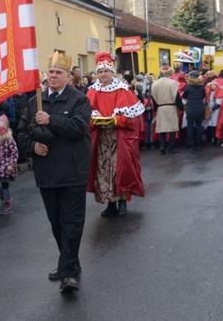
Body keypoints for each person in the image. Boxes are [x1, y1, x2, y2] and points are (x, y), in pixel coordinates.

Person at [18, 51, 91, 292]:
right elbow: (22, 133)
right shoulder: (34, 101)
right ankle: (70, 262)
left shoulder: (79, 99)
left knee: (72, 222)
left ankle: (67, 273)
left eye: (59, 72)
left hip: (72, 172)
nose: (53, 76)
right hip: (47, 173)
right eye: (50, 72)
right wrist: (32, 146)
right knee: (56, 223)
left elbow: (79, 128)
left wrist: (51, 120)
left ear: (68, 77)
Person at [87, 52, 145, 217]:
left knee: (119, 170)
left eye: (106, 71)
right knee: (103, 171)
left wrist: (116, 120)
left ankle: (122, 202)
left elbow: (132, 119)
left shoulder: (123, 90)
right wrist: (95, 121)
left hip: (119, 138)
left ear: (112, 72)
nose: (103, 74)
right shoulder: (92, 91)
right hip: (101, 140)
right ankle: (110, 203)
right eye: (100, 72)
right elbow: (85, 116)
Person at [151, 65, 182, 154]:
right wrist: (181, 107)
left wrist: (156, 109)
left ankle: (162, 146)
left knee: (162, 128)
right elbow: (176, 97)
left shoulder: (155, 84)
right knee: (172, 128)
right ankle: (171, 148)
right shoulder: (172, 83)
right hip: (170, 107)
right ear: (169, 73)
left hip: (160, 107)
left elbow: (154, 98)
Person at [182, 70, 206, 148]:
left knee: (190, 125)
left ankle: (189, 142)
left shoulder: (188, 86)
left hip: (190, 107)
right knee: (199, 125)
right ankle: (198, 142)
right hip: (199, 107)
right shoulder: (202, 86)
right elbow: (203, 96)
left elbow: (184, 96)